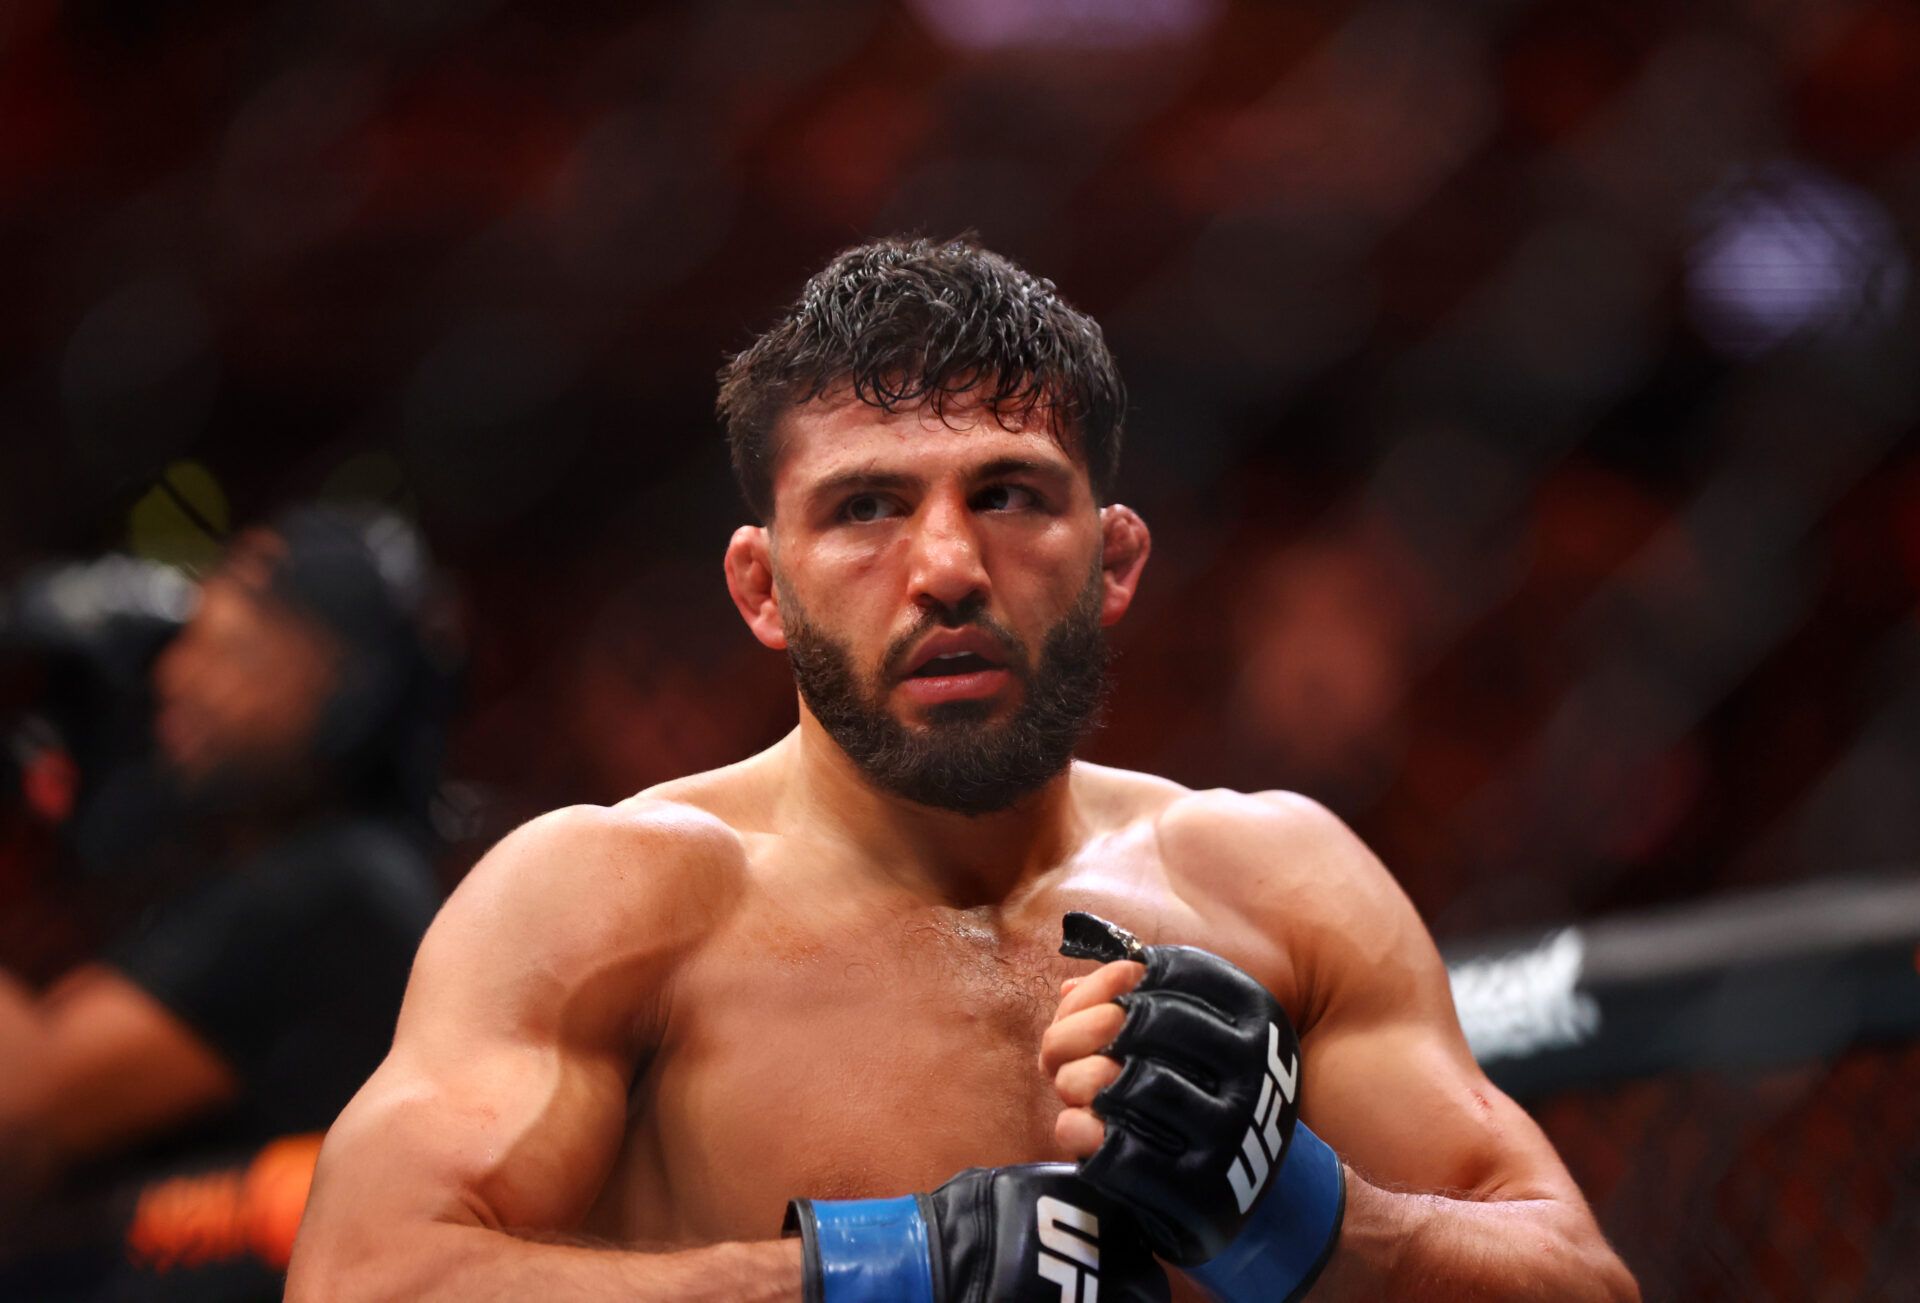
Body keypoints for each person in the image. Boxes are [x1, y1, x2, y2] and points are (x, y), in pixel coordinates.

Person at [288, 238, 1639, 1301]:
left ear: (1112, 559)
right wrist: (875, 1271)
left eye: (1008, 493)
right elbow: (362, 1276)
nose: (944, 566)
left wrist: (1303, 1214)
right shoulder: (609, 894)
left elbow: (1580, 1277)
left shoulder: (1276, 877)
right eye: (867, 505)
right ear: (765, 588)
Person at [0, 506, 451, 1299]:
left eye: (232, 651)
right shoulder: (249, 866)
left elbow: (20, 1115)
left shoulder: (342, 887)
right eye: (189, 642)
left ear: (346, 686)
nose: (176, 677)